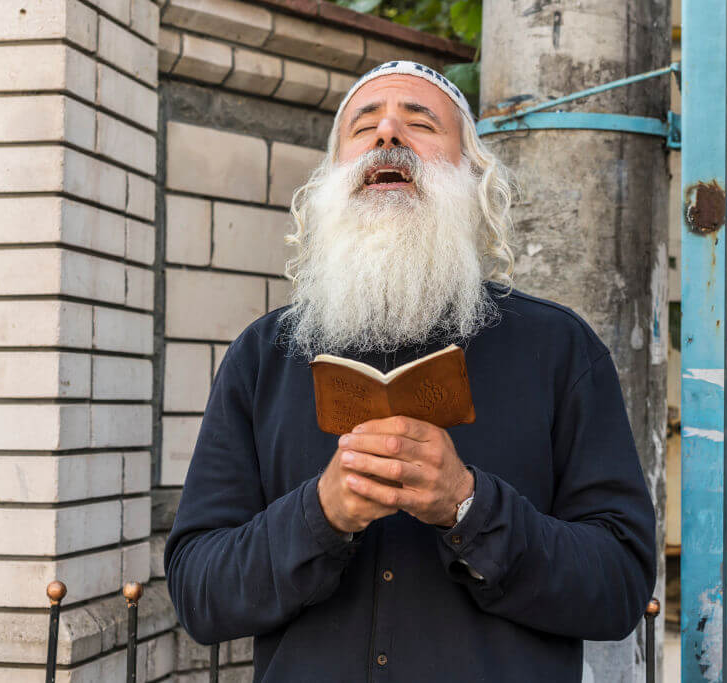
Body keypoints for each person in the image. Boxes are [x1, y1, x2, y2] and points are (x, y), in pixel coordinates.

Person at [165, 61, 656, 682]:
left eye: (420, 122)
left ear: (472, 175)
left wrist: (469, 506)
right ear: (333, 176)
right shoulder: (263, 357)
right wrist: (321, 514)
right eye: (363, 125)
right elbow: (198, 593)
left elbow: (619, 585)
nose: (388, 135)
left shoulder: (559, 350)